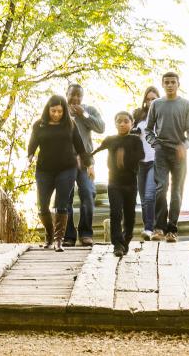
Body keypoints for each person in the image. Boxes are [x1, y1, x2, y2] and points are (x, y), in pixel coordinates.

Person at [27, 94, 91, 252]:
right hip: (44, 170)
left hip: (67, 169)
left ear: (64, 112)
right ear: (48, 109)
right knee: (43, 206)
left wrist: (88, 165)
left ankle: (58, 241)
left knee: (62, 204)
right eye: (53, 111)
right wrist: (29, 157)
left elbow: (80, 147)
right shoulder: (39, 125)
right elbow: (32, 144)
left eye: (60, 112)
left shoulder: (70, 124)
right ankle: (49, 235)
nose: (56, 114)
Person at [145, 71, 189, 242]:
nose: (170, 85)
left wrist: (185, 145)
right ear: (163, 84)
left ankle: (172, 230)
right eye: (166, 82)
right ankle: (158, 228)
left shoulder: (186, 105)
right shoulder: (156, 104)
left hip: (179, 151)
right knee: (161, 188)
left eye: (173, 82)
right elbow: (148, 129)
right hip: (161, 151)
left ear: (178, 84)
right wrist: (155, 143)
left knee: (176, 192)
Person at [92, 111, 144, 257]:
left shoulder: (135, 140)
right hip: (114, 183)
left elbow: (141, 156)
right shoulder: (110, 139)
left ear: (132, 123)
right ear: (115, 123)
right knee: (115, 213)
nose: (122, 124)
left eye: (126, 121)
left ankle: (126, 240)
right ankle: (117, 244)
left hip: (131, 184)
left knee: (129, 215)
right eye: (119, 121)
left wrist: (125, 158)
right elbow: (95, 151)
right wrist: (85, 159)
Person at [63, 83, 104, 247]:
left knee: (88, 192)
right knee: (65, 198)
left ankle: (86, 233)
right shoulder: (59, 110)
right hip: (64, 161)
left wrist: (84, 115)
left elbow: (101, 128)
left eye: (79, 95)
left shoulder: (89, 111)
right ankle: (68, 236)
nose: (75, 98)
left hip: (85, 161)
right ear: (66, 94)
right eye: (72, 94)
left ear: (82, 97)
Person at [132, 86, 159, 240]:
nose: (150, 102)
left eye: (153, 99)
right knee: (142, 199)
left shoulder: (161, 115)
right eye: (148, 99)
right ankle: (148, 228)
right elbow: (130, 129)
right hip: (140, 162)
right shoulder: (138, 115)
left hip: (155, 160)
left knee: (150, 196)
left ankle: (150, 228)